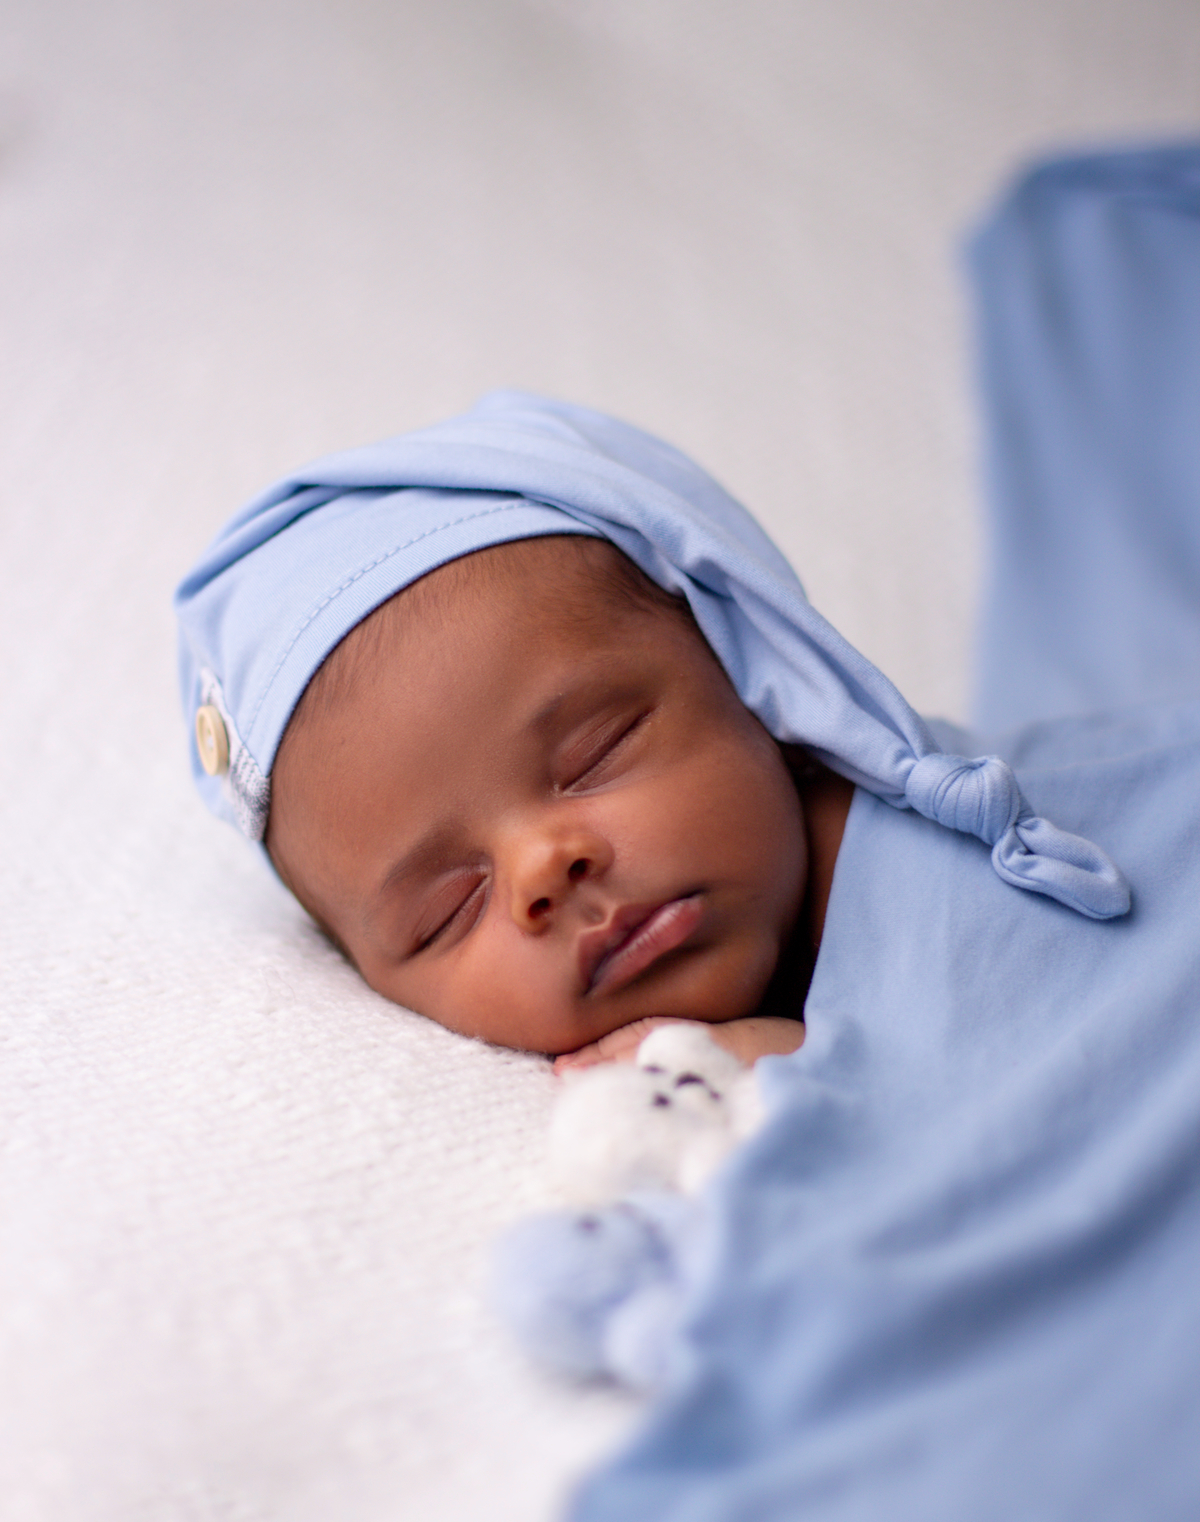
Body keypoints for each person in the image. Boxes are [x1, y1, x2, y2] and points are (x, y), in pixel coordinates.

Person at [174, 392, 1127, 1067]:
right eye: (447, 911)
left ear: (764, 688)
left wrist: (836, 1077)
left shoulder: (974, 858)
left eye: (596, 754)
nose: (545, 868)